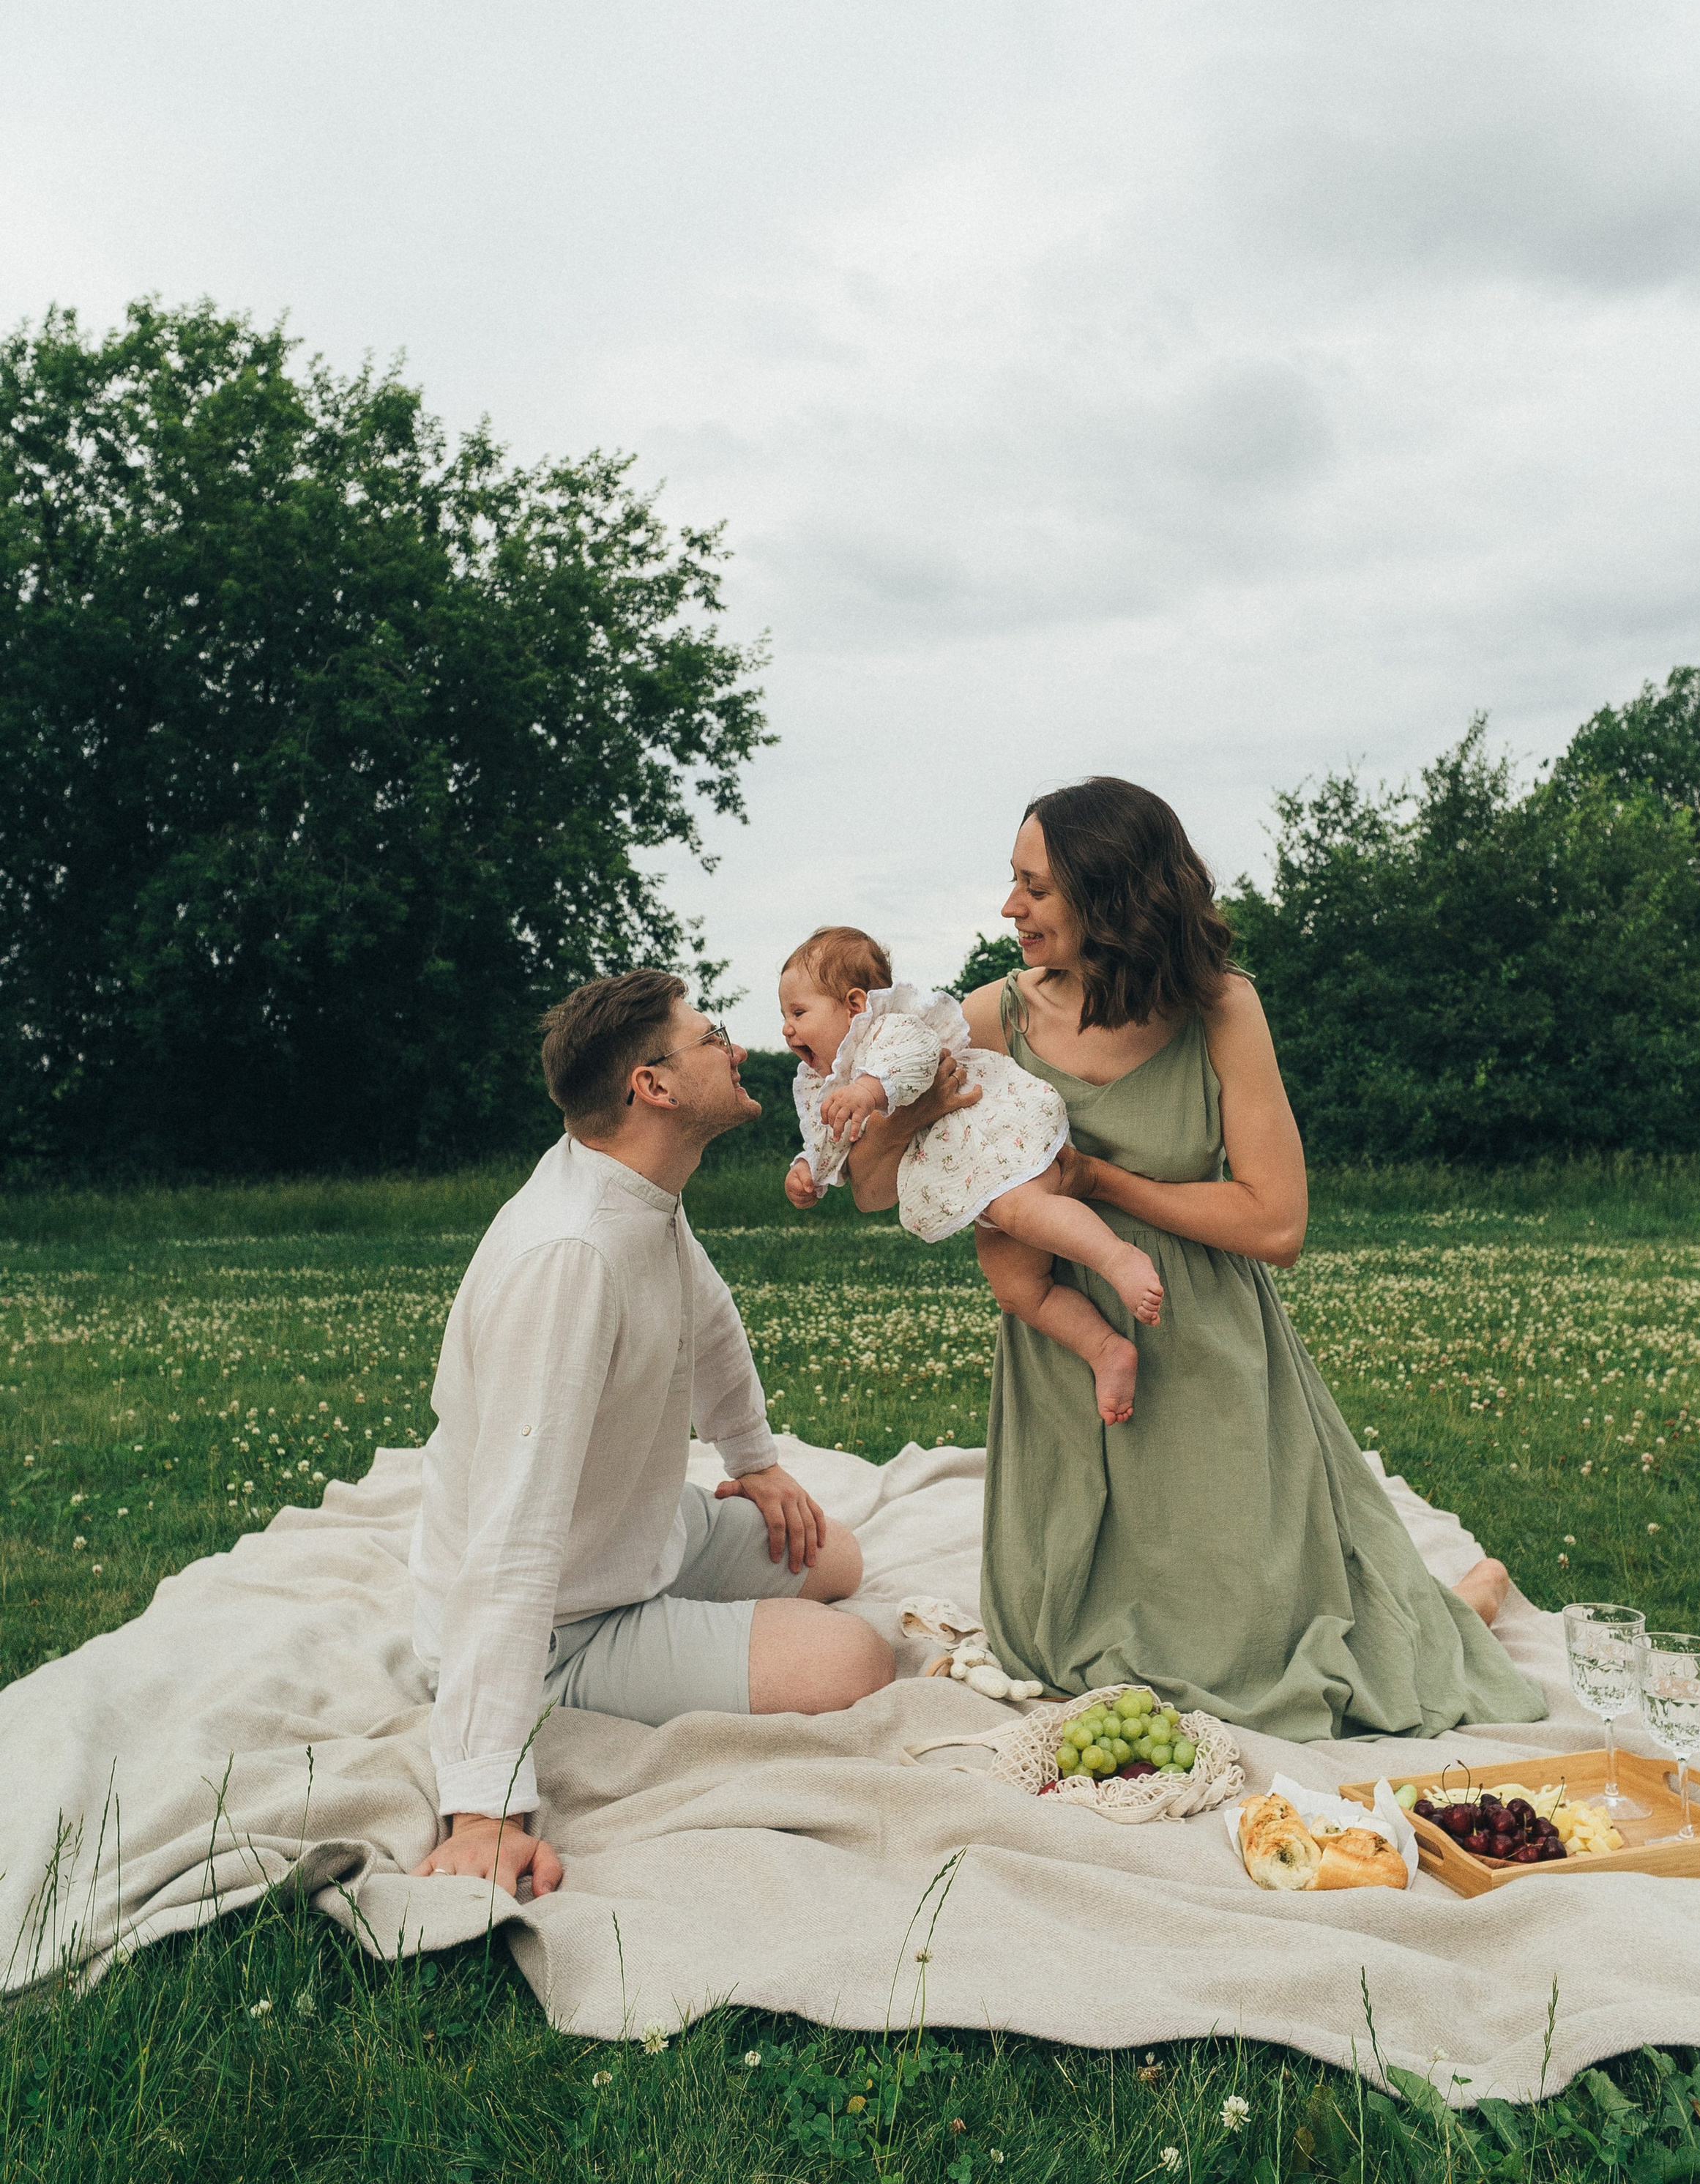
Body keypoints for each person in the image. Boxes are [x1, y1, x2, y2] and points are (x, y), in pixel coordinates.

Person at [847, 778, 1546, 1740]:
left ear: (1112, 895)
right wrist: (915, 1113)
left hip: (1199, 1336)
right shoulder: (992, 1017)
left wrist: (1100, 1183)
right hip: (1065, 1358)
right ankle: (1460, 1597)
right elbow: (874, 1188)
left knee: (1250, 1653)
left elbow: (1276, 1225)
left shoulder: (1222, 1008)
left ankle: (1463, 1603)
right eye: (1013, 882)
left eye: (1035, 887)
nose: (1010, 907)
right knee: (1048, 1643)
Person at [411, 970, 897, 1899]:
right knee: (856, 1660)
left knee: (835, 1555)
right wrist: (483, 1807)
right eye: (713, 1034)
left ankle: (688, 1612)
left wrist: (754, 1464)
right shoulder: (570, 1257)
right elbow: (511, 1541)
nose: (739, 1045)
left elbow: (705, 1319)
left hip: (631, 1537)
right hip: (563, 1622)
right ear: (654, 1086)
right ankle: (611, 1668)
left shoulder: (642, 1194)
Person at [778, 924, 1163, 1423]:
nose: (787, 1029)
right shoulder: (817, 1082)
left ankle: (1118, 1259)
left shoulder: (887, 1029)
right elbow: (826, 1136)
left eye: (799, 1013)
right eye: (783, 1016)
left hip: (994, 1139)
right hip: (969, 1179)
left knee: (1021, 1209)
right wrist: (808, 1168)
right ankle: (1106, 1349)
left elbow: (914, 1061)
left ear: (854, 1005)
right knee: (1017, 1289)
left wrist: (870, 1092)